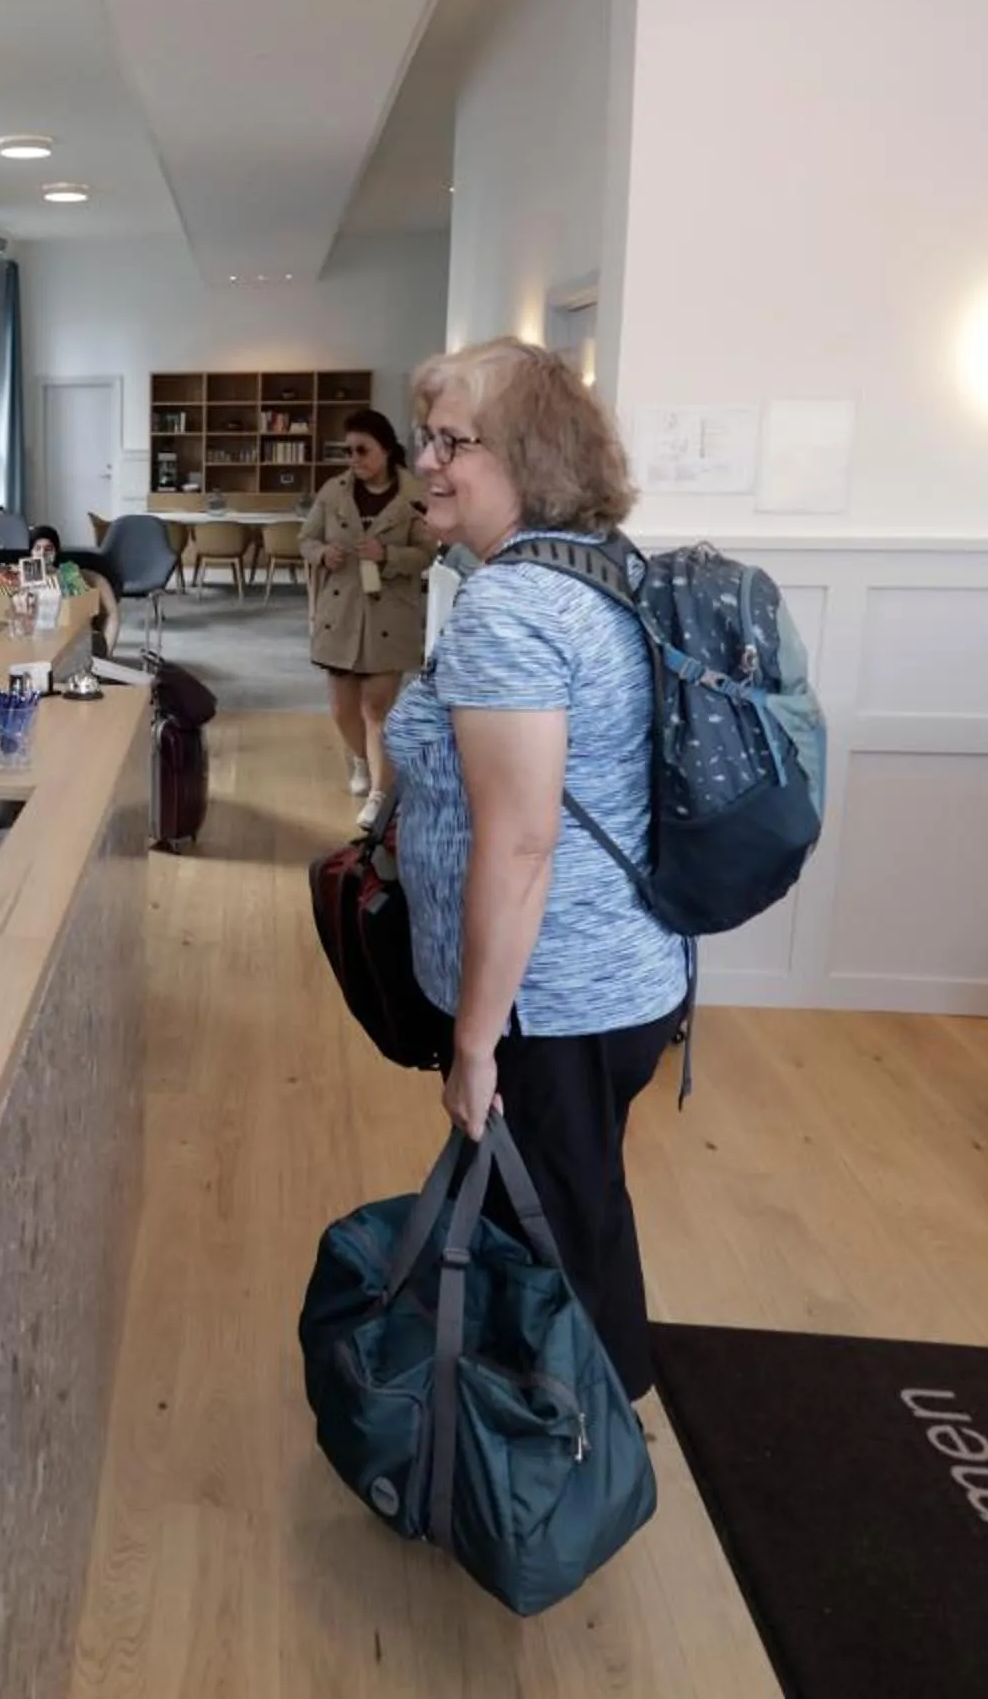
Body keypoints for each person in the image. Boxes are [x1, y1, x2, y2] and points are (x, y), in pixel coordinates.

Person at [379, 339, 687, 1403]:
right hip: (619, 970)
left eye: (451, 442)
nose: (426, 461)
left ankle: (572, 1446)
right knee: (572, 1206)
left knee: (555, 1235)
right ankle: (557, 1420)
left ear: (526, 456)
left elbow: (519, 843)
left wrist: (475, 1042)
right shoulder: (600, 566)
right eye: (426, 437)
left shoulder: (511, 611)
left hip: (548, 997)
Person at [301, 408, 433, 832]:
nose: (354, 459)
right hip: (340, 611)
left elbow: (427, 552)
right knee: (342, 709)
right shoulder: (334, 491)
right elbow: (306, 538)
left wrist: (388, 555)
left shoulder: (414, 496)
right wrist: (323, 554)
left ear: (386, 449)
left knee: (376, 708)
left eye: (363, 450)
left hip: (390, 613)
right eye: (349, 451)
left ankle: (381, 793)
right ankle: (361, 757)